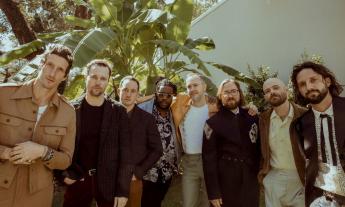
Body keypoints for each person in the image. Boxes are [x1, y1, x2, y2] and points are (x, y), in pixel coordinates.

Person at [0, 45, 76, 207]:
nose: (52, 73)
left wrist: (42, 151)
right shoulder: (3, 95)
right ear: (42, 64)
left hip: (36, 197)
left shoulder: (68, 112)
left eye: (60, 69)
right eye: (50, 65)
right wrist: (6, 152)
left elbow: (66, 159)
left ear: (64, 76)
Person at [59, 59, 132, 207]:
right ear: (86, 78)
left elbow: (126, 154)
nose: (98, 82)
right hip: (78, 181)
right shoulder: (70, 109)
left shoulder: (119, 111)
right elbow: (56, 143)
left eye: (103, 78)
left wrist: (122, 190)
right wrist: (62, 175)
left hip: (108, 183)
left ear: (108, 82)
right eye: (94, 77)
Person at [291, 61, 345, 206]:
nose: (309, 87)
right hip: (321, 198)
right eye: (302, 84)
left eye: (313, 80)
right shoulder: (299, 125)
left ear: (327, 81)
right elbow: (303, 164)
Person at [202, 79, 261, 207]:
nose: (230, 95)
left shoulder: (252, 117)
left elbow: (258, 149)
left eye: (234, 91)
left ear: (239, 93)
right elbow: (209, 160)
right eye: (226, 92)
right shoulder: (212, 123)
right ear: (220, 96)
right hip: (226, 180)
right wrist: (213, 192)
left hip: (250, 179)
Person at [171, 73, 218, 207]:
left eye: (195, 85)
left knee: (208, 202)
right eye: (189, 86)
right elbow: (161, 96)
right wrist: (137, 100)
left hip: (210, 161)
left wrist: (251, 108)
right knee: (188, 203)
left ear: (204, 86)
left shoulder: (216, 106)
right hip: (189, 162)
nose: (192, 89)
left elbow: (235, 107)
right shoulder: (181, 105)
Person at [258, 77, 306, 207]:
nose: (272, 92)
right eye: (267, 91)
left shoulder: (305, 115)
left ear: (286, 89)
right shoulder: (263, 119)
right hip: (274, 178)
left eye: (275, 87)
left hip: (301, 178)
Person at [117, 76, 162, 207]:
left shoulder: (147, 119)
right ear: (119, 91)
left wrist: (139, 171)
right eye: (125, 90)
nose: (128, 94)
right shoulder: (108, 115)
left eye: (133, 91)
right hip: (108, 179)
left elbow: (157, 149)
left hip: (132, 180)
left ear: (137, 94)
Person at [139, 78, 182, 207]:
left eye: (168, 95)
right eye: (161, 94)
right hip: (148, 171)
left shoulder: (174, 113)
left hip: (167, 172)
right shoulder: (144, 111)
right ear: (155, 94)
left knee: (157, 202)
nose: (164, 98)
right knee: (145, 202)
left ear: (173, 97)